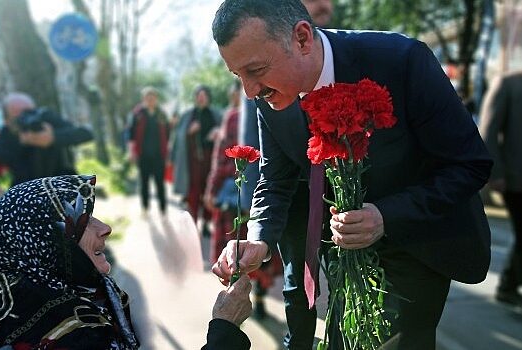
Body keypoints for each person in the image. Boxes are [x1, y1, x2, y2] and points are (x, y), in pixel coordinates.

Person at [211, 1, 492, 348]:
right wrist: (259, 238)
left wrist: (385, 216)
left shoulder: (402, 61)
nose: (249, 91)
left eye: (255, 70)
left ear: (301, 38)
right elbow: (275, 177)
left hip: (414, 249)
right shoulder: (267, 95)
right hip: (341, 264)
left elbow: (470, 164)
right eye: (238, 76)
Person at [0, 175, 252, 349]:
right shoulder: (73, 335)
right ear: (46, 248)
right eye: (82, 223)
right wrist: (225, 329)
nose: (105, 228)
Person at [237, 0, 333, 346]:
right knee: (297, 278)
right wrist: (256, 222)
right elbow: (260, 144)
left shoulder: (338, 60)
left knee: (340, 276)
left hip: (339, 198)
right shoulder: (263, 75)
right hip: (292, 194)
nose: (324, 6)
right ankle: (299, 340)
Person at [205, 80, 282, 320]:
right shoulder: (240, 117)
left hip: (258, 193)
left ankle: (243, 299)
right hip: (247, 194)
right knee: (254, 248)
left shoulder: (258, 114)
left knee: (246, 249)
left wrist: (212, 188)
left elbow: (220, 158)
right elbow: (221, 155)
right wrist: (213, 187)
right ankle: (251, 298)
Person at [479, 71, 522, 307]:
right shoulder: (508, 83)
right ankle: (507, 285)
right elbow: (489, 131)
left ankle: (509, 283)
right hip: (516, 179)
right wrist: (495, 174)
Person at [0, 92, 93, 186]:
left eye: (29, 112)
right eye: (19, 114)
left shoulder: (46, 119)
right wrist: (21, 142)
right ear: (6, 120)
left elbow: (85, 134)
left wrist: (53, 138)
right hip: (26, 186)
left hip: (61, 180)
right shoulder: (7, 133)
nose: (26, 117)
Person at [171, 86, 221, 229]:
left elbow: (225, 133)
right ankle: (193, 223)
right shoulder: (188, 115)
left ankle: (206, 222)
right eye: (199, 95)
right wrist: (189, 131)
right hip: (192, 160)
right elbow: (178, 136)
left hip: (211, 159)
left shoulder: (216, 115)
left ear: (208, 98)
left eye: (204, 95)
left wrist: (217, 133)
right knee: (193, 190)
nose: (201, 98)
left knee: (209, 189)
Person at [128, 87, 170, 215]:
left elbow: (168, 134)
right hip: (143, 155)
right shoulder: (137, 114)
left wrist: (168, 154)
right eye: (147, 97)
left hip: (159, 155)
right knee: (144, 183)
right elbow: (130, 134)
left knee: (160, 183)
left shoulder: (161, 114)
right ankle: (145, 208)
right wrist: (131, 152)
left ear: (156, 99)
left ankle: (163, 209)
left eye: (152, 97)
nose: (150, 100)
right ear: (143, 99)